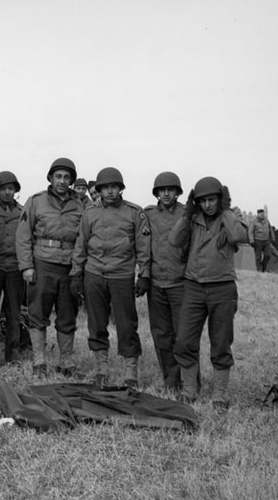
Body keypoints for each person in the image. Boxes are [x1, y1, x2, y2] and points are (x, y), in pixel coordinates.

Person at [169, 176, 248, 412]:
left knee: (221, 343)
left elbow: (239, 236)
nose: (207, 205)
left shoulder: (230, 217)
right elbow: (174, 240)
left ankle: (219, 396)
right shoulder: (193, 219)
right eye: (202, 201)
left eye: (212, 200)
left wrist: (225, 210)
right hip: (193, 286)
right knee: (184, 341)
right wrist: (187, 213)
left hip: (222, 288)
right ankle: (189, 391)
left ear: (220, 199)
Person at [70, 167, 150, 388]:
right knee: (96, 323)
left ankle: (130, 372)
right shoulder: (90, 214)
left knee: (126, 325)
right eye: (106, 188)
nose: (110, 192)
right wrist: (76, 273)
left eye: (114, 187)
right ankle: (101, 369)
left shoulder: (135, 213)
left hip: (122, 274)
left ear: (121, 189)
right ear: (99, 190)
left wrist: (144, 275)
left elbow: (143, 247)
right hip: (94, 273)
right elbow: (81, 244)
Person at [16, 157, 85, 377]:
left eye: (66, 177)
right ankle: (39, 360)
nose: (62, 181)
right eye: (58, 176)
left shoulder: (82, 205)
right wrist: (26, 266)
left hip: (70, 266)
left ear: (72, 180)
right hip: (43, 263)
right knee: (38, 313)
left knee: (67, 314)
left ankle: (65, 361)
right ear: (50, 178)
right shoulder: (36, 201)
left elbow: (86, 237)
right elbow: (23, 235)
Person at [144, 171, 188, 391]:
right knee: (161, 336)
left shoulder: (187, 214)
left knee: (184, 336)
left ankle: (189, 382)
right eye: (162, 190)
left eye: (171, 189)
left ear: (178, 192)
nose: (167, 193)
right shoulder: (149, 214)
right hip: (156, 283)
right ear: (157, 193)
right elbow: (142, 245)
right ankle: (170, 381)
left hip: (180, 283)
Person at [0, 170, 24, 364]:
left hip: (15, 268)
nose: (7, 193)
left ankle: (13, 355)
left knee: (13, 313)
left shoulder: (23, 213)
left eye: (11, 189)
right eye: (3, 189)